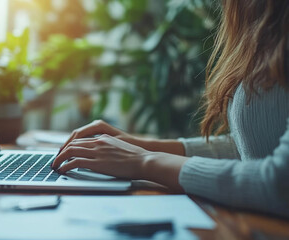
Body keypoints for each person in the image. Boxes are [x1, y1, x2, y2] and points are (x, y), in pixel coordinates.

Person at [52, 0, 289, 218]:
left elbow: (279, 184)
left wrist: (145, 160)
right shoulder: (265, 22)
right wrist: (138, 147)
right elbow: (252, 148)